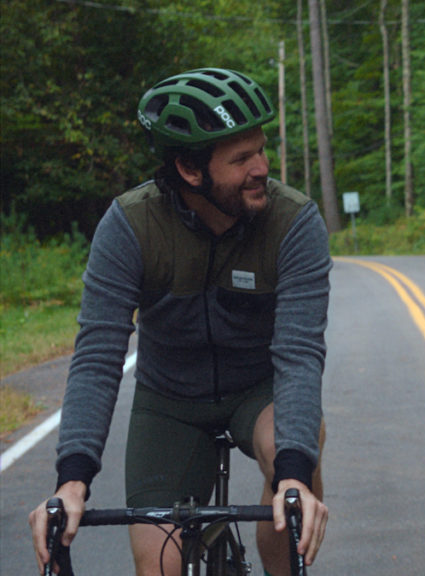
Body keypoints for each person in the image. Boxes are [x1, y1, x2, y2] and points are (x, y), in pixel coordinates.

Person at [28, 68, 332, 575]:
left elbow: (299, 353)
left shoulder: (294, 223)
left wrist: (295, 476)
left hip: (259, 394)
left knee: (289, 476)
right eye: (241, 159)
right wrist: (71, 481)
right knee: (161, 568)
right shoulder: (130, 225)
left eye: (261, 149)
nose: (262, 167)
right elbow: (98, 356)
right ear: (191, 171)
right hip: (168, 402)